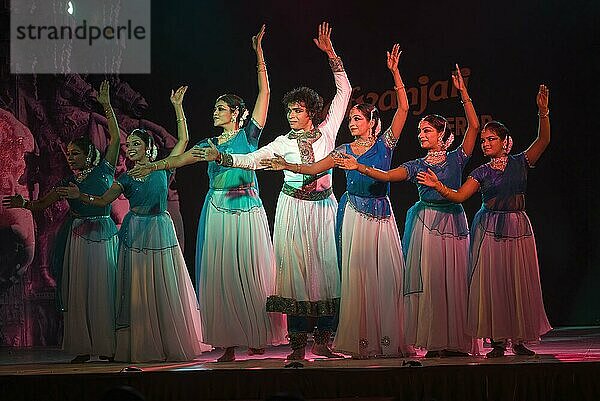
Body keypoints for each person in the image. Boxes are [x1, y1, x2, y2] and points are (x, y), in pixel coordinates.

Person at [195, 22, 351, 360]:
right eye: (290, 111)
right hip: (292, 210)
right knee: (294, 277)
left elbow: (345, 92)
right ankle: (297, 347)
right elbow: (251, 159)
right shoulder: (281, 142)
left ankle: (323, 340)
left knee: (326, 272)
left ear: (312, 113)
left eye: (298, 110)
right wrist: (222, 156)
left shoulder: (328, 131)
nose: (292, 116)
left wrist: (331, 54)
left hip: (323, 208)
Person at [129, 25, 286, 362]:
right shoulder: (208, 144)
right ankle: (229, 341)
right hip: (217, 211)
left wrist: (258, 54)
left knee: (252, 272)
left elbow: (266, 94)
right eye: (214, 107)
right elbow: (180, 159)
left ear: (236, 114)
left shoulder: (249, 136)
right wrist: (152, 167)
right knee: (223, 276)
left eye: (221, 108)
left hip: (248, 209)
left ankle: (256, 332)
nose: (215, 111)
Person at [262, 44, 409, 358]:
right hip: (347, 215)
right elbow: (313, 169)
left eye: (358, 119)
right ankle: (307, 342)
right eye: (351, 119)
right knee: (343, 278)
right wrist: (286, 165)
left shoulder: (385, 143)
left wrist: (393, 73)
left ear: (373, 122)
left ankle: (374, 339)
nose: (352, 123)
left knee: (370, 278)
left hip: (378, 217)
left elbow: (402, 109)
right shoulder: (341, 150)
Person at [334, 65, 480, 357]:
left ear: (443, 134)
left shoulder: (457, 158)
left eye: (427, 130)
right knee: (432, 284)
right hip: (426, 225)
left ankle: (457, 342)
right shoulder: (416, 165)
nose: (421, 135)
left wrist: (464, 94)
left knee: (455, 282)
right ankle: (435, 342)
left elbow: (474, 128)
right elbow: (387, 176)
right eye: (420, 131)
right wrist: (359, 166)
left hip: (454, 224)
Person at [62, 86, 209, 362]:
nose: (130, 148)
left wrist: (178, 107)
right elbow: (103, 199)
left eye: (136, 145)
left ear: (149, 148)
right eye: (129, 146)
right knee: (137, 286)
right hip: (135, 232)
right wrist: (80, 195)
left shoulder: (163, 167)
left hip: (159, 230)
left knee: (163, 283)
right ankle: (141, 342)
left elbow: (183, 140)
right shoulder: (125, 180)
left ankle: (166, 338)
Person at [417, 85, 552, 358]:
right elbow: (458, 196)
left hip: (518, 226)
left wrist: (543, 112)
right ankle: (499, 341)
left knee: (518, 282)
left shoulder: (520, 162)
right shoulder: (481, 171)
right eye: (484, 140)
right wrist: (439, 186)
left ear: (506, 141)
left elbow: (543, 141)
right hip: (489, 228)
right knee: (494, 284)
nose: (486, 143)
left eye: (492, 139)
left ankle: (520, 338)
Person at [3, 81, 120, 363]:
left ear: (89, 154)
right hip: (79, 236)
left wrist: (106, 104)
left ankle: (108, 346)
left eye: (76, 153)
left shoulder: (105, 167)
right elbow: (42, 205)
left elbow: (115, 138)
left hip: (103, 233)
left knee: (105, 290)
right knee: (81, 292)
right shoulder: (66, 182)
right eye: (69, 154)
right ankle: (84, 346)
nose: (70, 157)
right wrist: (24, 204)